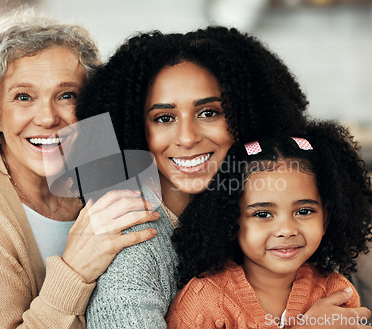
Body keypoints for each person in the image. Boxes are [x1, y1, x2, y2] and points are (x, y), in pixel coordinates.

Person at [0, 8, 160, 328]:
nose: (48, 118)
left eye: (67, 95)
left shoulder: (92, 175)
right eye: (24, 97)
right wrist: (74, 270)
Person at [75, 27, 342, 329]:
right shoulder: (135, 244)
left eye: (209, 113)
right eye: (164, 118)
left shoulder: (267, 211)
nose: (187, 138)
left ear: (245, 115)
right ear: (137, 130)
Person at [166, 121, 372, 329]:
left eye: (304, 211)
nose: (287, 230)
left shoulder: (336, 292)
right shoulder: (204, 302)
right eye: (263, 214)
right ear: (231, 223)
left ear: (325, 219)